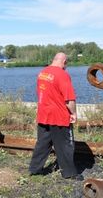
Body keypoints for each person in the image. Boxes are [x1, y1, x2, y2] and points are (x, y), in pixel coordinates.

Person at [29, 52, 83, 180]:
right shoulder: (62, 75)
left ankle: (34, 169)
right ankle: (69, 173)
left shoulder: (42, 73)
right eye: (66, 64)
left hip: (43, 114)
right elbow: (69, 99)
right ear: (64, 62)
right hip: (59, 116)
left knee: (42, 143)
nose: (66, 67)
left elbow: (40, 92)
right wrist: (74, 113)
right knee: (65, 145)